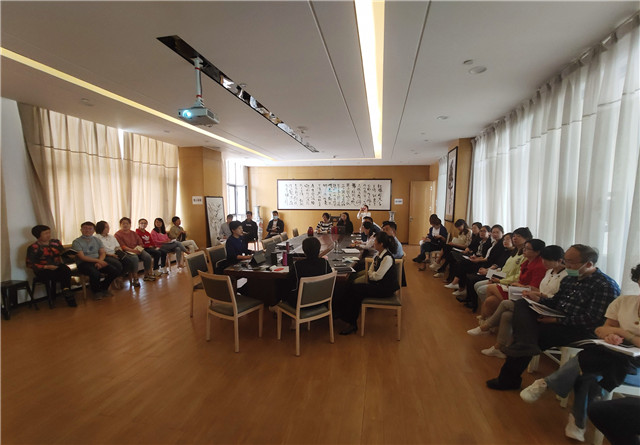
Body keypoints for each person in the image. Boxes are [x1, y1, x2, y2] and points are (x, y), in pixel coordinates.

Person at [519, 264, 640, 442]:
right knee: (591, 367)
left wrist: (622, 333)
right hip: (614, 354)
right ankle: (577, 420)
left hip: (634, 365)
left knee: (589, 364)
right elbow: (601, 330)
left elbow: (616, 331)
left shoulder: (606, 286)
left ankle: (550, 386)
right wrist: (611, 335)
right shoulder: (624, 302)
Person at [486, 244, 620, 391]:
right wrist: (537, 299)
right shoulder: (570, 279)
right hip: (557, 318)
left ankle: (508, 378)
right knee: (522, 305)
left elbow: (593, 320)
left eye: (570, 262)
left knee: (529, 334)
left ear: (588, 264)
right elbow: (555, 302)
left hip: (580, 329)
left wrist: (557, 320)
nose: (566, 265)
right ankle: (524, 346)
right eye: (565, 260)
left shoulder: (605, 285)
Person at [468, 244, 567, 358]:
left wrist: (538, 294)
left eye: (547, 260)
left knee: (504, 302)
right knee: (506, 315)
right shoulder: (549, 271)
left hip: (548, 307)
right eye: (543, 259)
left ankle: (486, 327)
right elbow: (539, 288)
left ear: (559, 260)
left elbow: (557, 298)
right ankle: (499, 348)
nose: (543, 262)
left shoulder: (566, 277)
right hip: (537, 301)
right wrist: (531, 291)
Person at [337, 231, 400, 335]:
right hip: (378, 285)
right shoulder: (379, 254)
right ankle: (345, 316)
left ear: (381, 244)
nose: (373, 243)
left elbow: (377, 276)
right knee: (351, 288)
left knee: (355, 290)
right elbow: (371, 269)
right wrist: (371, 274)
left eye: (375, 241)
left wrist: (371, 274)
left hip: (385, 289)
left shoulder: (387, 258)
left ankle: (351, 322)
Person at [478, 238, 547, 318]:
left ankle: (485, 319)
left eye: (527, 248)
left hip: (525, 292)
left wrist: (503, 281)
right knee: (490, 300)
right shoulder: (525, 260)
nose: (524, 250)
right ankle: (487, 321)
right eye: (524, 247)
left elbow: (534, 288)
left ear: (537, 252)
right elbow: (504, 270)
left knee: (490, 288)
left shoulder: (539, 266)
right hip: (516, 286)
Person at [26, 225, 77, 307]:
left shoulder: (55, 242)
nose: (48, 235)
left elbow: (62, 253)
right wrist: (46, 267)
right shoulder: (33, 247)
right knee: (57, 274)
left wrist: (70, 255)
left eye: (49, 233)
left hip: (56, 266)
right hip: (43, 269)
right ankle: (66, 292)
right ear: (38, 235)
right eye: (45, 233)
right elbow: (29, 264)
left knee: (66, 269)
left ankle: (66, 290)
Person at [71, 221, 122, 300]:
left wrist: (100, 261)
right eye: (85, 228)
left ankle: (104, 287)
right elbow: (82, 257)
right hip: (84, 263)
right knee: (95, 272)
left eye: (90, 229)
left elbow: (102, 253)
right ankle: (96, 292)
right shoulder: (77, 242)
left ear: (93, 230)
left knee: (115, 271)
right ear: (81, 230)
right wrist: (99, 261)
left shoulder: (97, 240)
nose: (87, 230)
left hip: (97, 261)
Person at [285, 236, 332, 307]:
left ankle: (275, 305)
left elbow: (289, 280)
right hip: (321, 301)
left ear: (304, 251)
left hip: (300, 303)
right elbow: (329, 278)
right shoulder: (324, 263)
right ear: (319, 249)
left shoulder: (298, 265)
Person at [95, 220, 139, 288]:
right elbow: (99, 251)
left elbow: (117, 246)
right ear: (100, 228)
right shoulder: (96, 238)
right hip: (106, 255)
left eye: (108, 227)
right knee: (118, 264)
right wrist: (111, 255)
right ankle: (115, 279)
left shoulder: (111, 236)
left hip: (115, 253)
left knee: (129, 261)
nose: (108, 228)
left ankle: (120, 277)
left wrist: (120, 253)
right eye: (106, 227)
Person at [115, 217, 155, 282]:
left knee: (147, 256)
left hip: (136, 249)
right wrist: (133, 251)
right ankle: (135, 278)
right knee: (135, 258)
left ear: (130, 225)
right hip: (127, 251)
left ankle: (147, 275)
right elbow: (122, 246)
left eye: (127, 223)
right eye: (123, 223)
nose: (125, 225)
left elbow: (140, 242)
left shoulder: (133, 233)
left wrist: (139, 247)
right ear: (120, 225)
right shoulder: (117, 234)